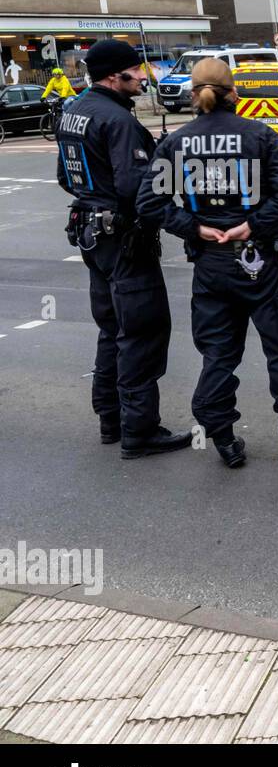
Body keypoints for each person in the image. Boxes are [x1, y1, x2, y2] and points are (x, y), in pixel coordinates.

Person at [136, 57, 278, 470]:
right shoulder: (258, 135)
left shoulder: (177, 143)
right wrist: (251, 224)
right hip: (264, 262)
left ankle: (223, 438)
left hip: (212, 266)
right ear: (234, 93)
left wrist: (194, 228)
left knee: (219, 355)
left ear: (193, 95)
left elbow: (149, 203)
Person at [55, 38, 188, 459]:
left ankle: (110, 419)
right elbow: (137, 189)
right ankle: (140, 430)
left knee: (111, 328)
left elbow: (64, 176)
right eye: (137, 69)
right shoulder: (118, 121)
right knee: (142, 332)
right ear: (116, 75)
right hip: (125, 240)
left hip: (91, 234)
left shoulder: (73, 112)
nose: (144, 76)